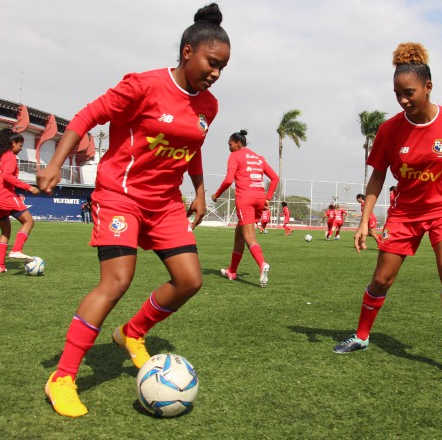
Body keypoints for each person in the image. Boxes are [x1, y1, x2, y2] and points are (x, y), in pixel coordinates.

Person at [35, 3, 231, 418]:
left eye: (222, 68)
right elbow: (87, 116)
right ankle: (63, 377)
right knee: (117, 281)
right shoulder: (142, 85)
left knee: (189, 280)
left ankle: (131, 332)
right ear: (187, 52)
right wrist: (55, 162)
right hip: (121, 196)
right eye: (211, 63)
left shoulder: (208, 107)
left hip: (165, 205)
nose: (215, 73)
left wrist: (198, 189)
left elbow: (191, 148)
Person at [333, 42, 442, 378]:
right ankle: (361, 336)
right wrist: (362, 222)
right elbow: (377, 176)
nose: (403, 100)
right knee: (382, 278)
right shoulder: (389, 130)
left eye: (409, 93)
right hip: (405, 213)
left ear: (428, 87)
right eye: (397, 94)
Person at [212, 130, 278, 286]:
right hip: (259, 198)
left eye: (230, 145)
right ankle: (232, 271)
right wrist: (268, 197)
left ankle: (262, 264)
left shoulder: (235, 156)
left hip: (245, 199)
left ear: (237, 143)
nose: (229, 148)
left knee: (249, 236)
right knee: (239, 233)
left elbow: (229, 180)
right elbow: (275, 178)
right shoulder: (258, 158)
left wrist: (216, 195)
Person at [0, 128, 40, 273]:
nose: (21, 149)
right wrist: (29, 187)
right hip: (4, 195)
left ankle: (0, 266)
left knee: (5, 232)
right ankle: (16, 250)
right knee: (28, 221)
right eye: (20, 145)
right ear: (13, 143)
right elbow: (7, 176)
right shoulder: (9, 156)